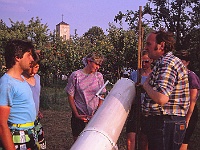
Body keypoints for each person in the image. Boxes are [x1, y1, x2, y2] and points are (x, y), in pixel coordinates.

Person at [142, 30, 190, 150]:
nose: (145, 47)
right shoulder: (164, 62)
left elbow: (161, 98)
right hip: (166, 122)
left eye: (149, 44)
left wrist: (146, 85)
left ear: (161, 45)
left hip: (166, 123)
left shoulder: (167, 63)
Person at [0, 39, 37, 150]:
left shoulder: (21, 79)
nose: (32, 59)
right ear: (17, 57)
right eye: (29, 55)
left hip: (29, 133)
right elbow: (1, 124)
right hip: (17, 136)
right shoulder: (7, 83)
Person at [65, 52, 106, 141]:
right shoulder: (76, 76)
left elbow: (102, 95)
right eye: (96, 64)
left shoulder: (99, 76)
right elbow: (70, 96)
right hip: (80, 115)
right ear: (89, 61)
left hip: (94, 115)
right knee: (79, 142)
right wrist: (76, 114)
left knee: (92, 141)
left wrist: (97, 113)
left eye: (99, 65)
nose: (98, 67)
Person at [126, 50, 152, 150]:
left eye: (146, 61)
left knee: (144, 139)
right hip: (135, 108)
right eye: (142, 62)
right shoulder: (134, 74)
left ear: (151, 61)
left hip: (148, 109)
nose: (144, 64)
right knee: (130, 138)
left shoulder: (154, 74)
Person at [175, 50, 200, 150]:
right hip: (179, 111)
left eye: (182, 61)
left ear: (187, 62)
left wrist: (187, 119)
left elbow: (192, 100)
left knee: (183, 141)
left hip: (189, 112)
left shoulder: (191, 76)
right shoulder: (178, 75)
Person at [22, 55, 46, 149]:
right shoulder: (19, 80)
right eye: (31, 67)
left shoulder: (37, 78)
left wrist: (37, 110)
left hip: (35, 121)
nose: (33, 71)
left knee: (40, 145)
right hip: (24, 123)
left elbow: (36, 95)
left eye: (36, 67)